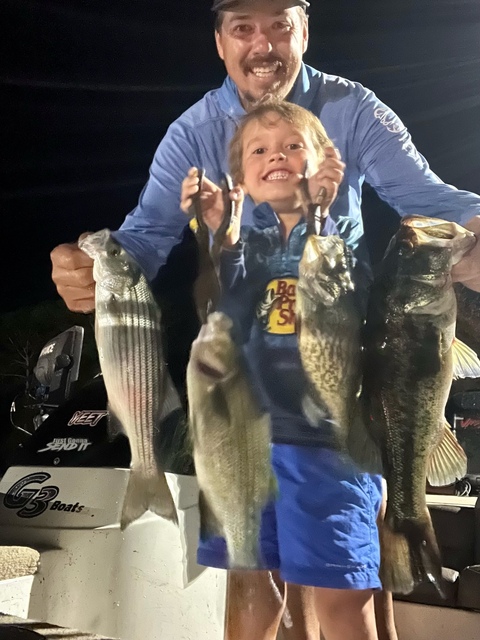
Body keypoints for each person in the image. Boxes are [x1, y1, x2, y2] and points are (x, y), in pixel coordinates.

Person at [49, 0, 480, 636]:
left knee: (345, 586)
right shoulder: (192, 131)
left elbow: (433, 200)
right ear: (219, 41)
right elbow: (144, 236)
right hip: (238, 406)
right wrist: (86, 269)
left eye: (280, 23)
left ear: (305, 29)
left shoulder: (351, 109)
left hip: (340, 399)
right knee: (253, 579)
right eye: (243, 27)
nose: (263, 44)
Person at [181, 99, 383, 640]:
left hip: (328, 452)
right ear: (240, 174)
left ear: (325, 166)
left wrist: (319, 212)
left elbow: (340, 289)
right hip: (241, 445)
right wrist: (216, 232)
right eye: (260, 149)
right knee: (250, 584)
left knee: (341, 598)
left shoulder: (341, 240)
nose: (278, 156)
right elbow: (218, 312)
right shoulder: (247, 248)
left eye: (295, 146)